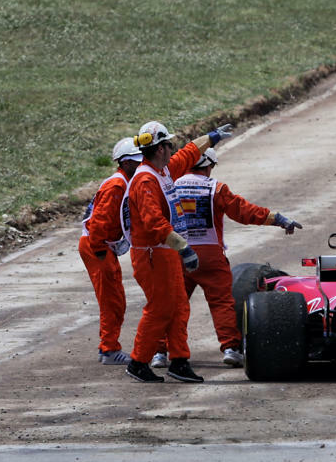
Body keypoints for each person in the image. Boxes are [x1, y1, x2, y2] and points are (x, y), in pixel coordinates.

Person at [164, 147, 302, 369]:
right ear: (208, 165)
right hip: (210, 254)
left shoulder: (170, 187)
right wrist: (277, 219)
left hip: (177, 252)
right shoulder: (215, 188)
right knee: (221, 303)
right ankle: (230, 348)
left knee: (172, 303)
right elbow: (243, 211)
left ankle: (161, 352)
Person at [121, 120, 233, 383]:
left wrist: (212, 137)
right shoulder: (146, 180)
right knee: (161, 308)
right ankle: (138, 362)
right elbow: (153, 222)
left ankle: (179, 360)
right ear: (160, 149)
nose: (173, 148)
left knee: (179, 305)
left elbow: (187, 154)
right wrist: (184, 248)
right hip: (152, 254)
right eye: (169, 144)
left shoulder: (163, 171)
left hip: (165, 252)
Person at [78, 137, 142, 365]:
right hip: (98, 247)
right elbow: (98, 224)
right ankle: (109, 350)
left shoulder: (123, 182)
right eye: (137, 161)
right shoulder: (117, 185)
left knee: (115, 300)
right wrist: (102, 252)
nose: (141, 164)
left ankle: (109, 348)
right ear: (125, 163)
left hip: (102, 247)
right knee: (112, 301)